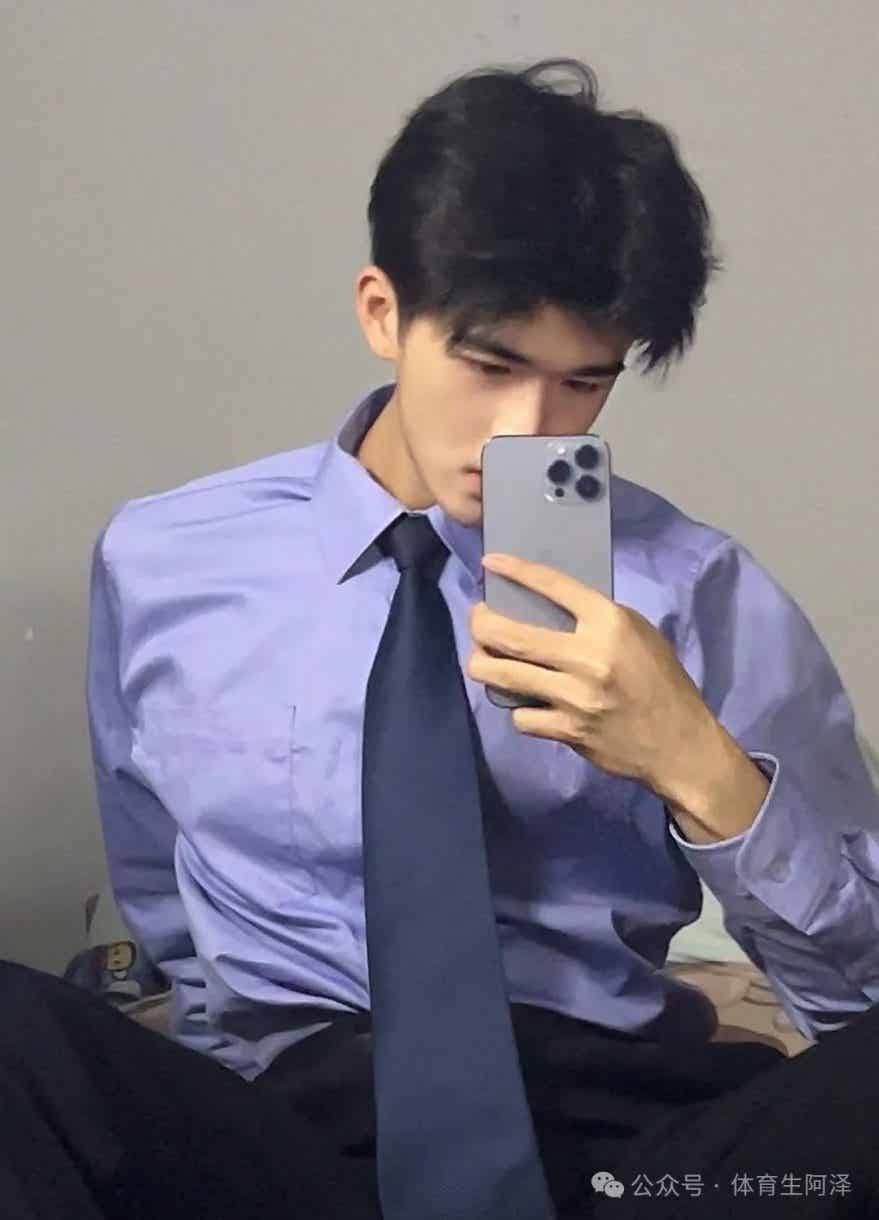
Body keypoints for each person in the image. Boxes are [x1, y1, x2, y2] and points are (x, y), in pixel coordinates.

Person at [2, 56, 878, 1220]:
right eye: (491, 363)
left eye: (584, 383)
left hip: (621, 1151)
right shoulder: (168, 561)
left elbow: (858, 1003)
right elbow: (163, 892)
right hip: (280, 1144)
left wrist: (699, 766)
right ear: (383, 312)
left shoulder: (695, 591)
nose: (528, 427)